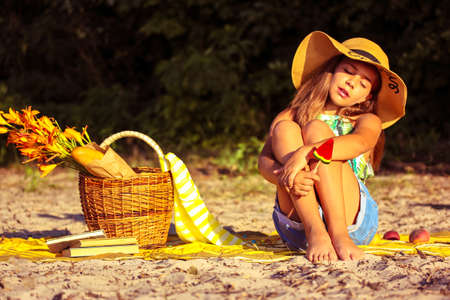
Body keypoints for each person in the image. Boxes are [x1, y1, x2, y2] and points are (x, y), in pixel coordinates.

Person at [258, 31, 407, 263]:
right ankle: (315, 230)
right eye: (348, 71)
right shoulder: (292, 113)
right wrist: (286, 177)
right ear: (331, 71)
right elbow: (264, 161)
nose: (351, 82)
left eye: (363, 83)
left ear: (367, 97)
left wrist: (306, 151)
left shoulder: (366, 121)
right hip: (298, 223)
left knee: (317, 130)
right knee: (285, 129)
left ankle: (337, 234)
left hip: (350, 221)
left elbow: (360, 142)